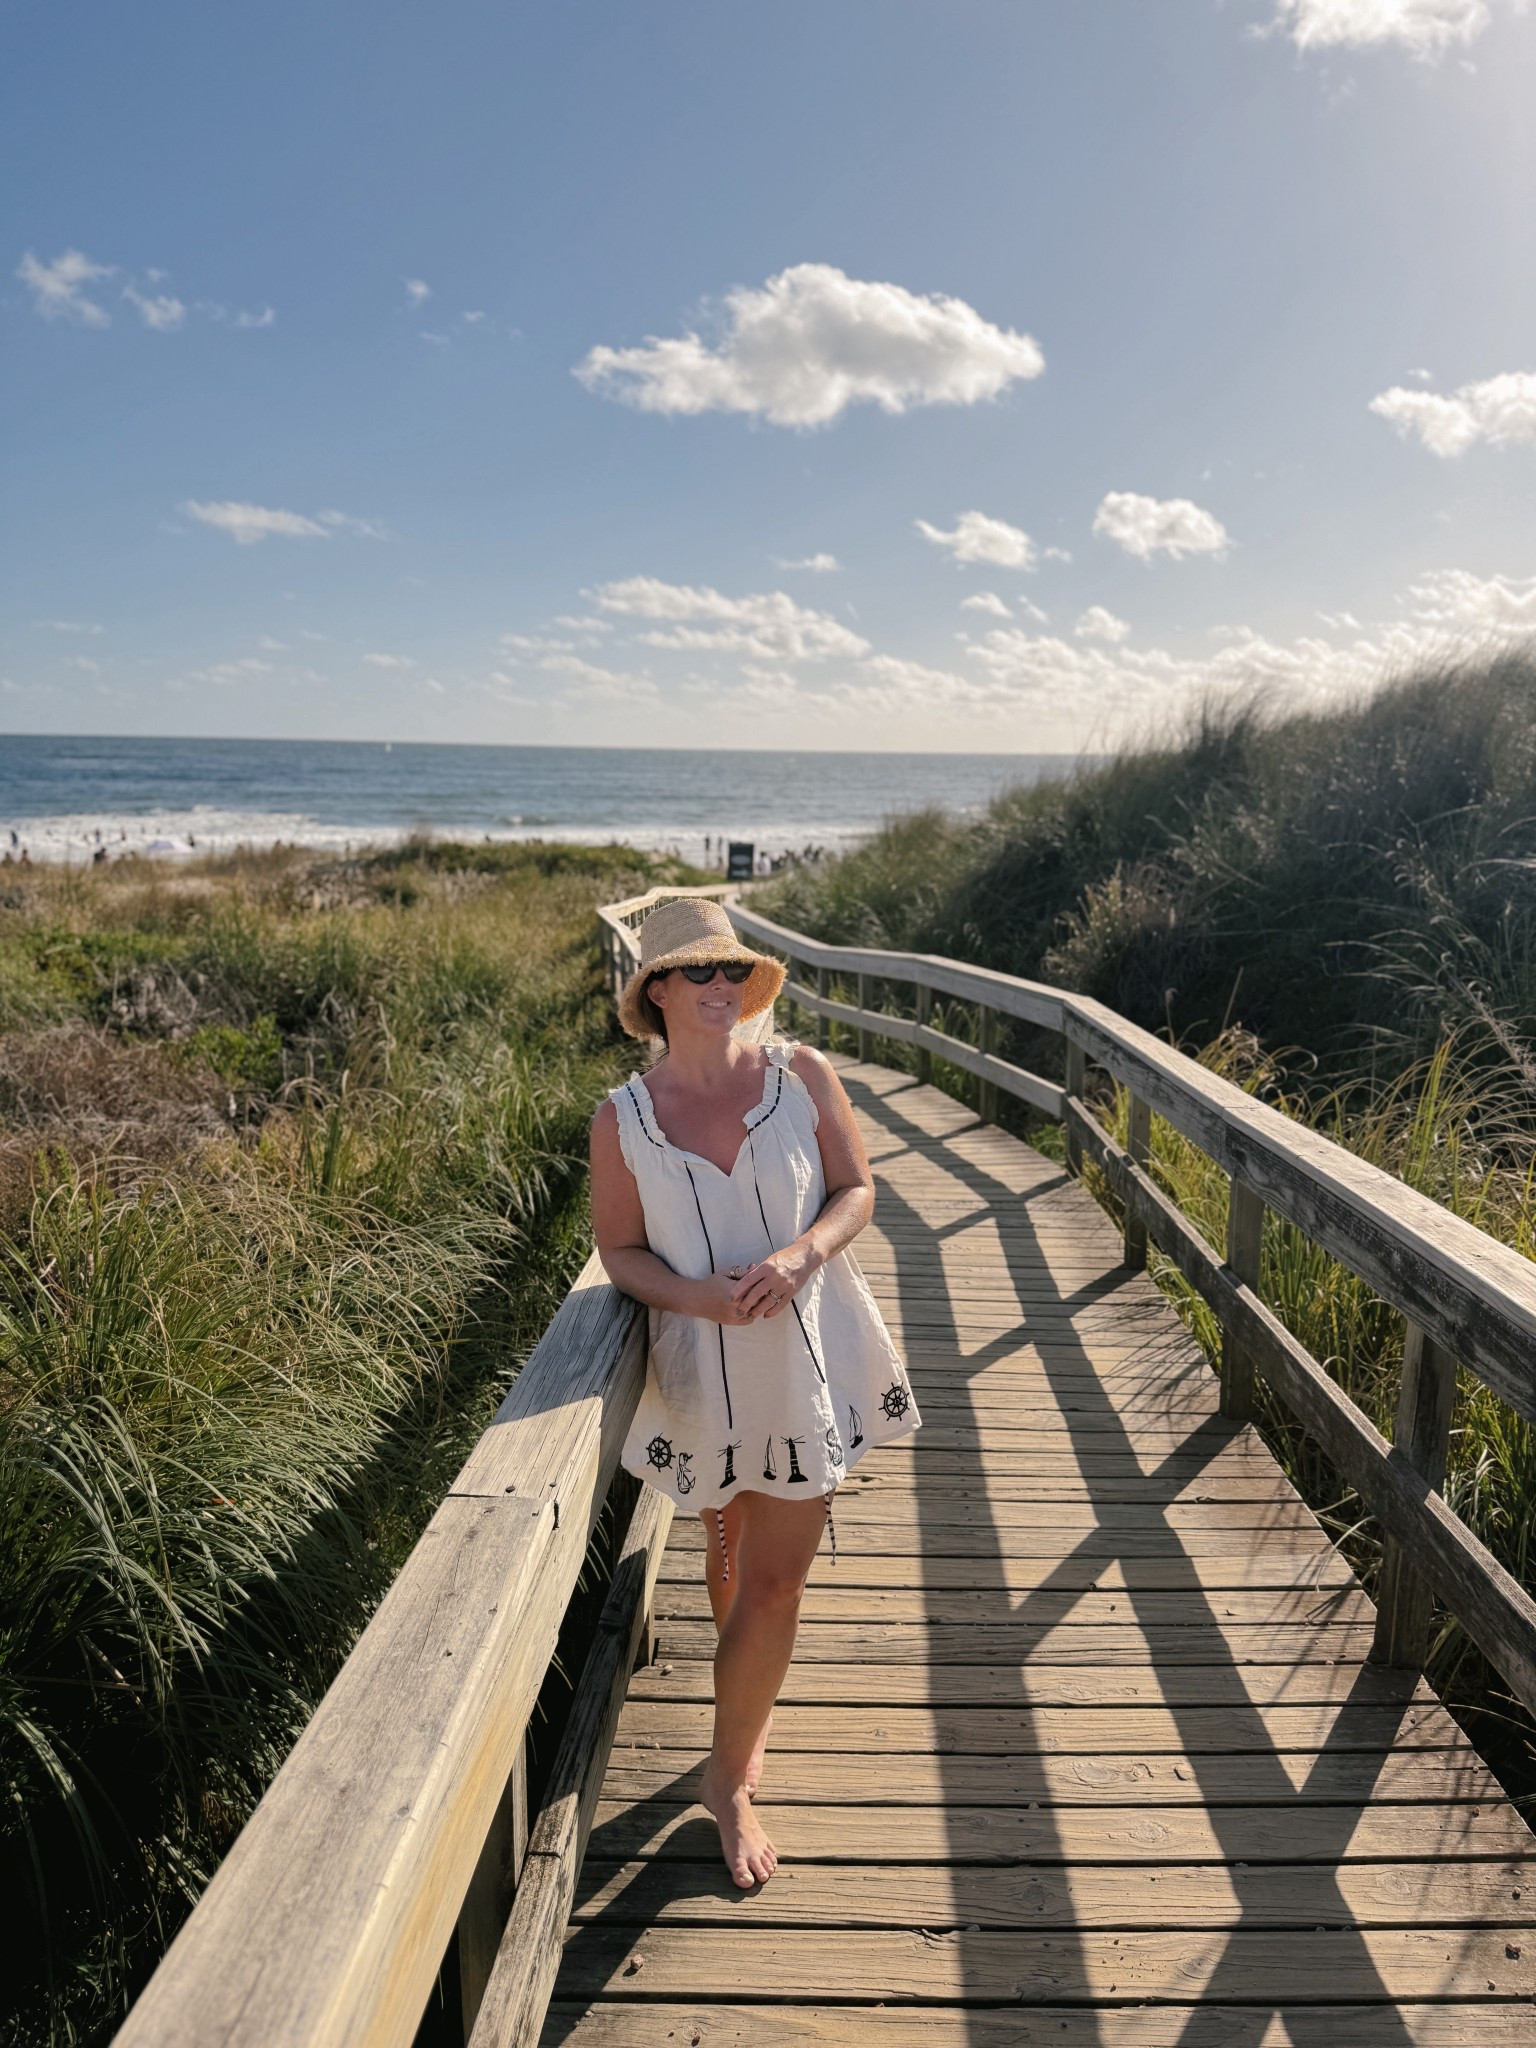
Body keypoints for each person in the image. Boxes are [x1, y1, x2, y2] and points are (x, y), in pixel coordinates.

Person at [589, 897, 919, 1888]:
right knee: (726, 1554)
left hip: (803, 1367)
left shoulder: (800, 1077)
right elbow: (618, 1248)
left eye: (731, 968)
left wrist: (802, 1250)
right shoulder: (624, 1118)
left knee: (775, 1580)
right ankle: (747, 1719)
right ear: (656, 991)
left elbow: (856, 1189)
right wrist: (694, 1295)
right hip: (704, 1379)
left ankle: (728, 1778)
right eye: (697, 971)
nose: (720, 984)